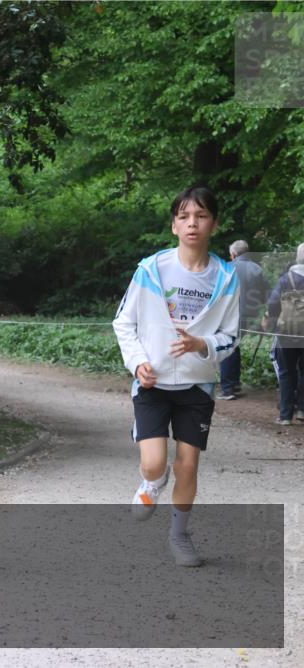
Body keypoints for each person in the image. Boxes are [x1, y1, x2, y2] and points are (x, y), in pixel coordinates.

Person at [112, 185, 240, 567]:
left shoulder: (227, 278)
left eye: (201, 216)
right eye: (184, 217)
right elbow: (123, 322)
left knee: (188, 463)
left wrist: (202, 344)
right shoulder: (152, 269)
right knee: (154, 463)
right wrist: (137, 363)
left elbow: (231, 337)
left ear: (213, 224)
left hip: (197, 386)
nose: (192, 224)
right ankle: (152, 482)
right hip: (152, 384)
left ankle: (179, 535)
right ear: (173, 225)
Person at [217, 240, 269, 400]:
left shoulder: (227, 268)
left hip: (229, 314)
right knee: (235, 345)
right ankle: (235, 385)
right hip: (250, 315)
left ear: (233, 255)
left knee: (227, 348)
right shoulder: (257, 269)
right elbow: (266, 293)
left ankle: (228, 389)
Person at [262, 243, 304, 426]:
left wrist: (268, 318)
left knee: (287, 372)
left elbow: (273, 304)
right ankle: (302, 410)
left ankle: (286, 415)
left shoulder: (286, 279)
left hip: (286, 332)